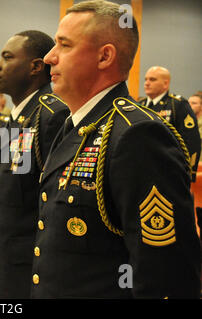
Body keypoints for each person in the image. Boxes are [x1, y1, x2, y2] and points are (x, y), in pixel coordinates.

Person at [32, 0, 200, 298]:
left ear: (104, 56)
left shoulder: (137, 135)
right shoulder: (76, 125)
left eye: (64, 45)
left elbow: (165, 274)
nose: (49, 57)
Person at [0, 30, 69, 299]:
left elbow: (53, 201)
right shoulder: (21, 116)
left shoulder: (51, 115)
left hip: (32, 266)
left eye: (7, 57)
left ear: (35, 66)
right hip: (9, 258)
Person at [139, 66, 201, 181]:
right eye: (145, 79)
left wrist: (189, 172)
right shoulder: (140, 105)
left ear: (165, 84)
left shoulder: (177, 104)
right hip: (143, 169)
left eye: (152, 80)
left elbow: (191, 140)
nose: (147, 83)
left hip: (169, 170)